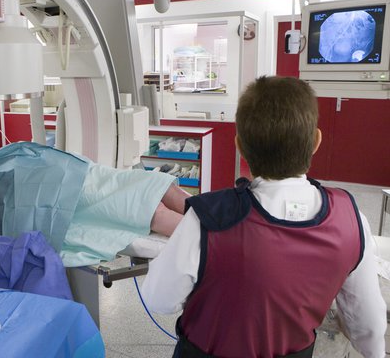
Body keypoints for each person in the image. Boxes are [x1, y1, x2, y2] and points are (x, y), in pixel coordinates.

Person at [141, 76, 386, 358]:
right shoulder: (351, 220)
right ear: (316, 141)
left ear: (240, 146)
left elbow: (158, 299)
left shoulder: (208, 219)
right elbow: (367, 324)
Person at [0, 137, 189, 267]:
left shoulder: (9, 151)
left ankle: (219, 215)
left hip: (86, 177)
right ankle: (212, 236)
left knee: (159, 184)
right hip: (69, 202)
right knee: (148, 208)